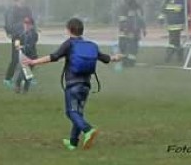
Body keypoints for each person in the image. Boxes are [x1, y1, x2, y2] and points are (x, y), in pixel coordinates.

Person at [26, 17, 123, 150]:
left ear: (69, 30)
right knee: (78, 113)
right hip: (86, 85)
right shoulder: (90, 45)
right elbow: (104, 58)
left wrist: (33, 62)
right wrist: (115, 58)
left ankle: (88, 130)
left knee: (71, 112)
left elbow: (53, 57)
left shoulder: (69, 44)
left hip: (73, 85)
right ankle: (73, 142)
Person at [4, 0, 33, 87]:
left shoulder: (27, 9)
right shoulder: (12, 10)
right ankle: (8, 79)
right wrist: (10, 32)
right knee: (16, 58)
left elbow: (31, 21)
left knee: (27, 57)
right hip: (17, 37)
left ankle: (27, 78)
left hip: (26, 37)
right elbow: (9, 23)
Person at [117, 0, 146, 68]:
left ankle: (130, 62)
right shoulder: (124, 6)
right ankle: (125, 62)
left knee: (134, 48)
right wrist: (127, 31)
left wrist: (143, 28)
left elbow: (140, 18)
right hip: (126, 31)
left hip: (135, 31)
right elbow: (122, 20)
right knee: (124, 47)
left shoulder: (137, 6)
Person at [12, 16, 38, 94]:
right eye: (25, 23)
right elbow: (16, 39)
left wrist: (21, 47)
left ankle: (19, 86)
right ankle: (23, 89)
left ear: (32, 25)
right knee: (26, 72)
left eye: (28, 23)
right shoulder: (22, 33)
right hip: (23, 56)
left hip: (31, 56)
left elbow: (30, 45)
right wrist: (17, 45)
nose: (26, 25)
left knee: (27, 74)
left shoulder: (34, 34)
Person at [162, 0, 185, 64]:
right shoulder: (167, 1)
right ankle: (180, 57)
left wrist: (169, 9)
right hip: (170, 25)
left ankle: (167, 58)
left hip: (178, 24)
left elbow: (180, 9)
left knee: (172, 41)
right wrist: (161, 18)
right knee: (176, 42)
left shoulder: (181, 0)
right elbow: (163, 10)